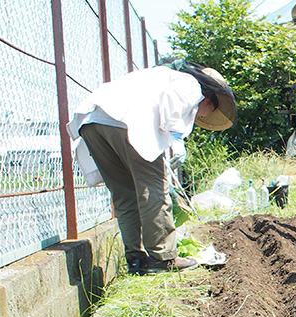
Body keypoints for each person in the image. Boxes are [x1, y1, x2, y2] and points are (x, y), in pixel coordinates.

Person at [67, 60, 236, 275]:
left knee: (124, 194)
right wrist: (176, 139)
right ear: (208, 97)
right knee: (154, 190)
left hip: (93, 123)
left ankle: (136, 259)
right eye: (209, 110)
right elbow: (169, 108)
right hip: (127, 123)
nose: (202, 116)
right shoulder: (191, 84)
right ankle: (163, 257)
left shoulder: (160, 76)